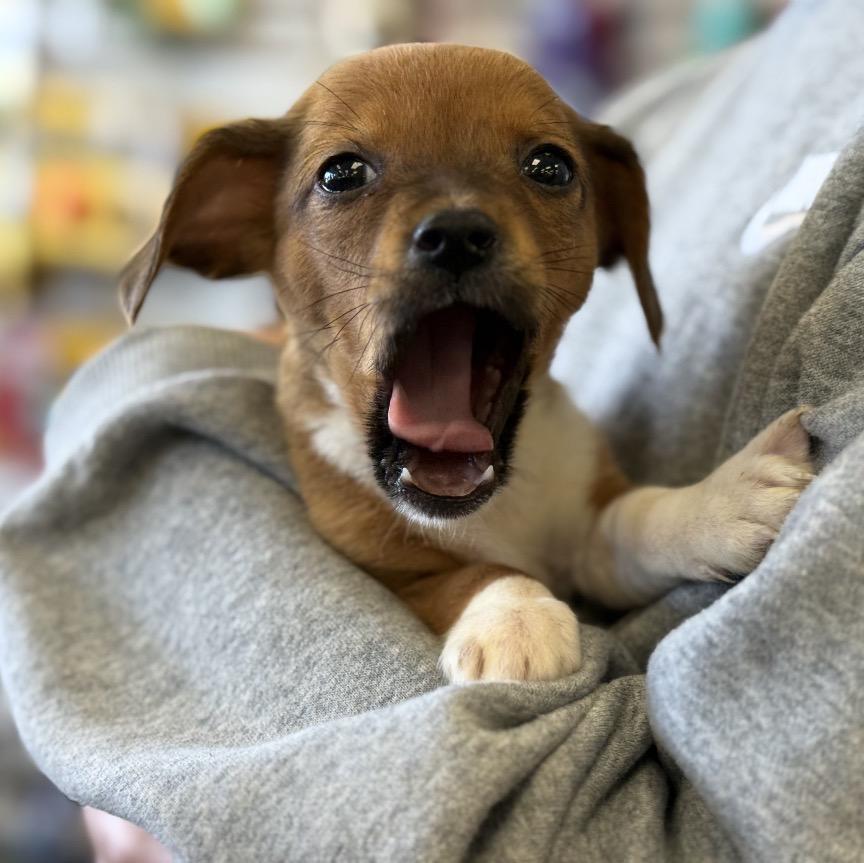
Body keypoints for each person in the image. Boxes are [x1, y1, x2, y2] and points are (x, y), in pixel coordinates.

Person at [1, 0, 863, 859]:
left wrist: (677, 521)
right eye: (344, 176)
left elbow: (589, 533)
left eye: (544, 169)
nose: (456, 220)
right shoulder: (695, 97)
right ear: (238, 213)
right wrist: (494, 592)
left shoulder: (563, 435)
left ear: (610, 227)